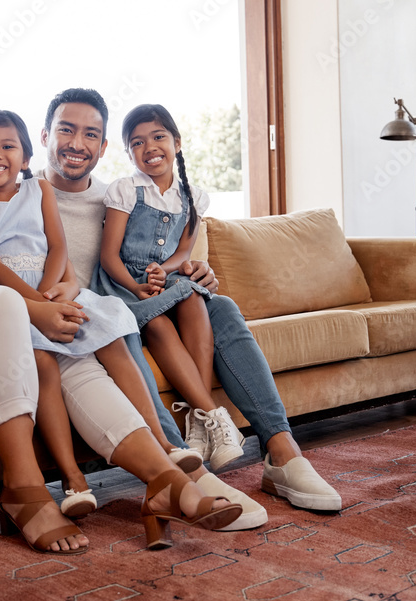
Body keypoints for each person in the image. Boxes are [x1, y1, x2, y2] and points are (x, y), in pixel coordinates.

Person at [0, 66, 241, 554]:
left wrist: (50, 307)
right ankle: (23, 487)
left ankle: (166, 478)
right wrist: (32, 308)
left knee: (74, 354)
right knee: (1, 303)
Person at [40, 88, 343, 515]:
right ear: (44, 136)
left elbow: (163, 249)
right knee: (117, 326)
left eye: (90, 134)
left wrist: (194, 269)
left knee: (222, 307)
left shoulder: (120, 194)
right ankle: (189, 471)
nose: (77, 144)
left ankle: (283, 452)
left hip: (145, 295)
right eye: (66, 131)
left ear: (105, 147)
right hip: (101, 312)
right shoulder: (24, 197)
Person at [0, 109, 203, 517]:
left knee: (114, 338)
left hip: (54, 292)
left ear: (27, 155)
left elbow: (57, 248)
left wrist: (52, 293)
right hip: (11, 304)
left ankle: (164, 442)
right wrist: (35, 306)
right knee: (45, 368)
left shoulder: (39, 191)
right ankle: (72, 478)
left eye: (8, 146)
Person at [92, 103, 246, 473]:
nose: (150, 148)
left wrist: (163, 270)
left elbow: (183, 253)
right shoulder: (125, 191)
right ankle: (214, 416)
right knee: (159, 323)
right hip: (122, 284)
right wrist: (137, 285)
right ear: (128, 152)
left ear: (176, 142)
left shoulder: (192, 196)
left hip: (163, 276)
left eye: (158, 137)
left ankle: (198, 416)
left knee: (192, 294)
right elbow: (108, 256)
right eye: (137, 142)